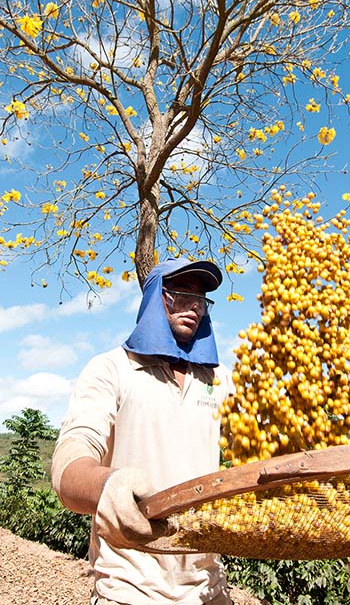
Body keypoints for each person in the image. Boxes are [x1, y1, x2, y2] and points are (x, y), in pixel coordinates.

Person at [51, 257, 234, 604]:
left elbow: (253, 446)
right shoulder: (112, 370)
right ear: (155, 298)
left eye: (201, 297)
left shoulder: (219, 379)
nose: (194, 304)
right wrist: (109, 486)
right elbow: (71, 461)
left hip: (208, 586)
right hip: (131, 588)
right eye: (181, 293)